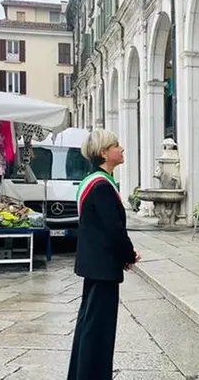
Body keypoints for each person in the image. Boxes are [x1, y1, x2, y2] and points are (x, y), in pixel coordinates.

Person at [68, 129, 139, 380]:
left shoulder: (93, 181)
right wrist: (129, 254)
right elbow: (113, 229)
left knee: (89, 323)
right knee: (98, 328)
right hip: (103, 267)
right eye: (115, 145)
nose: (121, 149)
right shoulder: (101, 186)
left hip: (94, 265)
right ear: (103, 153)